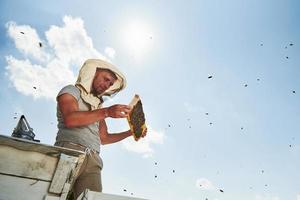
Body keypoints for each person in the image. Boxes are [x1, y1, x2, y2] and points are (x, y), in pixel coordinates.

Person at [54, 59, 146, 199]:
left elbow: (104, 138)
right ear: (93, 73)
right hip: (69, 151)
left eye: (110, 84)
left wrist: (131, 132)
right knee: (55, 196)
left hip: (93, 161)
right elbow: (70, 119)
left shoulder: (98, 106)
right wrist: (107, 112)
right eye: (106, 79)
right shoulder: (71, 91)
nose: (106, 86)